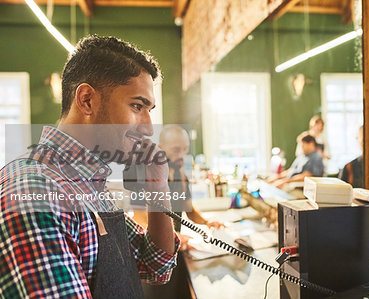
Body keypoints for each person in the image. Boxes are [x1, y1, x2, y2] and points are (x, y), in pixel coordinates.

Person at [0, 35, 179, 298]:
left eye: (148, 109)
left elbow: (156, 267)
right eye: (137, 106)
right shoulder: (35, 189)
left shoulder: (88, 181)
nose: (149, 127)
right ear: (86, 100)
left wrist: (158, 184)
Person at [144, 124, 224, 298]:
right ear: (161, 147)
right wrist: (175, 237)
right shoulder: (147, 176)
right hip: (156, 259)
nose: (181, 155)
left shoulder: (181, 174)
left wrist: (206, 221)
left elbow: (188, 208)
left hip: (176, 251)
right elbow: (141, 223)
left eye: (185, 150)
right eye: (176, 150)